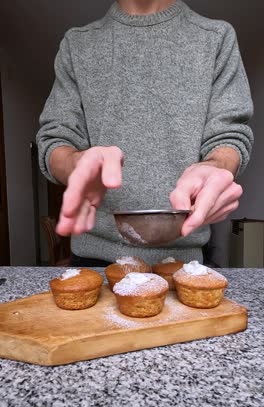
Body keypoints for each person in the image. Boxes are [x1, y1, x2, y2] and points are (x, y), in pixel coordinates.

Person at [37, 0, 254, 267]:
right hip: (92, 260)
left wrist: (217, 165)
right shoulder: (77, 44)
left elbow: (229, 135)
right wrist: (75, 163)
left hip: (186, 263)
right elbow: (55, 138)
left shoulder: (217, 38)